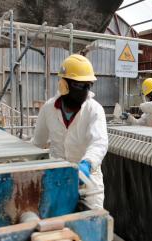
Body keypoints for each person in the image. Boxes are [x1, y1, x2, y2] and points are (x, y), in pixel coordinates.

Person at [33, 54, 108, 209]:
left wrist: (87, 164)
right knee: (56, 221)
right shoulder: (48, 108)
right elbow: (37, 143)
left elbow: (99, 142)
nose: (85, 91)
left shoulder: (94, 109)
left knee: (91, 224)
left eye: (88, 85)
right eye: (79, 85)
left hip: (87, 180)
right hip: (57, 177)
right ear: (63, 84)